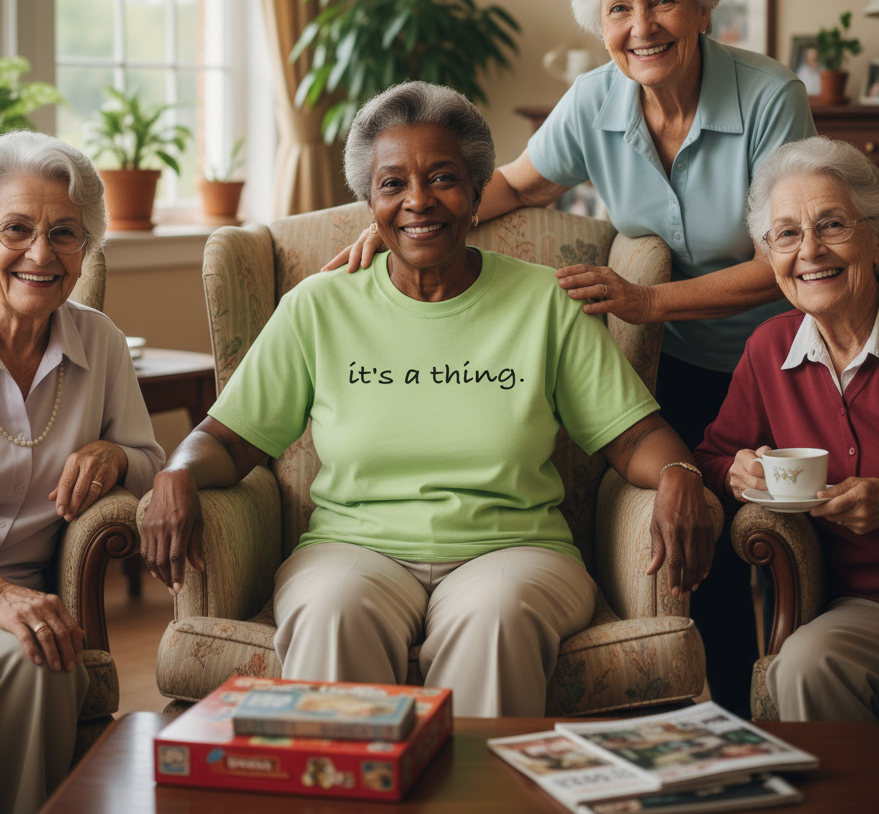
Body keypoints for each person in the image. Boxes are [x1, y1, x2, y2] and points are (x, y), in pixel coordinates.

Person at [327, 0, 817, 716]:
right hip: (676, 369)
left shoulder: (769, 97)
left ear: (702, 7)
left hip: (771, 362)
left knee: (772, 557)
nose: (641, 26)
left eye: (662, 1)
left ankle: (771, 728)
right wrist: (402, 227)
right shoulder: (595, 100)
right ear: (600, 22)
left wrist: (647, 300)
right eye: (619, 9)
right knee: (698, 562)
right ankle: (708, 733)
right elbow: (516, 183)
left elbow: (786, 261)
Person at [139, 82, 716, 718]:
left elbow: (633, 436)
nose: (418, 200)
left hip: (514, 550)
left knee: (495, 617)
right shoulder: (318, 304)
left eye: (442, 178)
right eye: (393, 184)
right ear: (370, 201)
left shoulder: (546, 300)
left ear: (475, 195)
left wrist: (679, 472)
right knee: (332, 611)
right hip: (352, 548)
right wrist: (177, 472)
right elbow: (228, 437)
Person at [0, 132, 165, 814]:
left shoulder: (100, 342)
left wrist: (114, 456)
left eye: (65, 233)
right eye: (16, 230)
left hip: (14, 597)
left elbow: (148, 462)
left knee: (45, 663)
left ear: (86, 249)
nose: (41, 254)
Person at [695, 136, 879, 804]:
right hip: (865, 606)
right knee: (804, 661)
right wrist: (738, 473)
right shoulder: (770, 349)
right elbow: (715, 452)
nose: (810, 252)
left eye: (831, 225)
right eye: (787, 234)